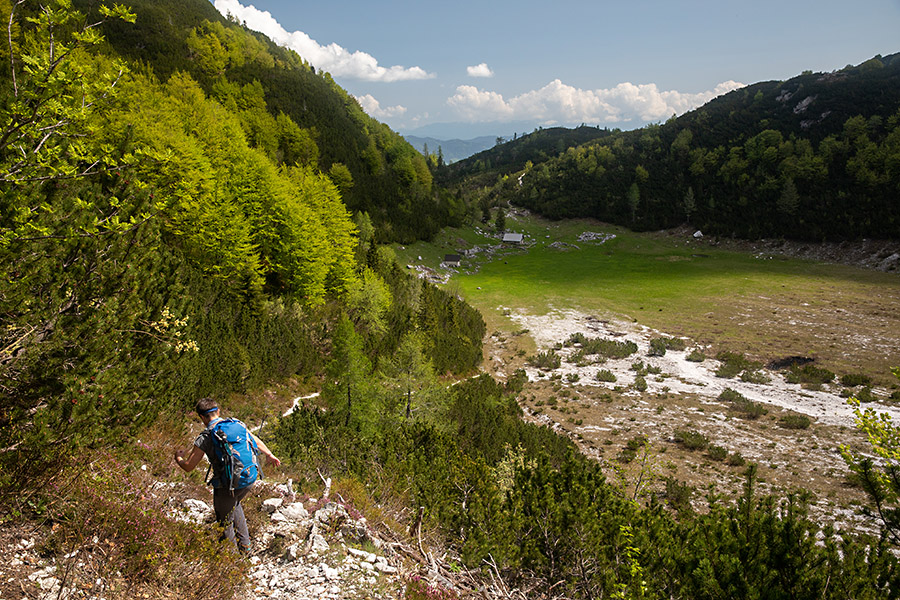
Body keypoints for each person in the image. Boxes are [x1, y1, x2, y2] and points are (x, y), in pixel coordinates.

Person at [174, 397, 281, 553]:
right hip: (249, 477)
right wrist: (269, 454)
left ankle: (231, 557)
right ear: (218, 411)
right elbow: (254, 440)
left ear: (202, 417)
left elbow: (189, 466)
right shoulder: (237, 425)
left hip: (227, 484)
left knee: (224, 522)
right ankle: (246, 547)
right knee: (234, 504)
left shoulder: (206, 436)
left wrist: (178, 457)